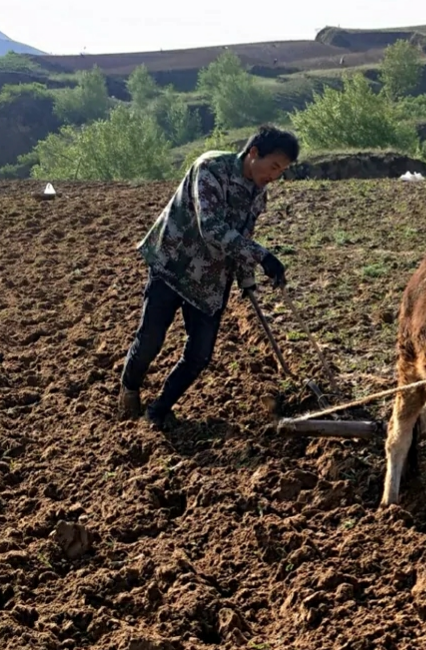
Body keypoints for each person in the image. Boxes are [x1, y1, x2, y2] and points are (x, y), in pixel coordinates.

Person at [118, 124, 299, 430]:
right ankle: (130, 388)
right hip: (172, 265)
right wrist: (263, 255)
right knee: (150, 340)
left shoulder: (258, 194)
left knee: (200, 354)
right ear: (254, 153)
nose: (274, 176)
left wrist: (248, 278)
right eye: (274, 167)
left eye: (281, 171)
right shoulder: (210, 168)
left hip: (211, 280)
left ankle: (158, 410)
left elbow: (243, 235)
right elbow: (211, 227)